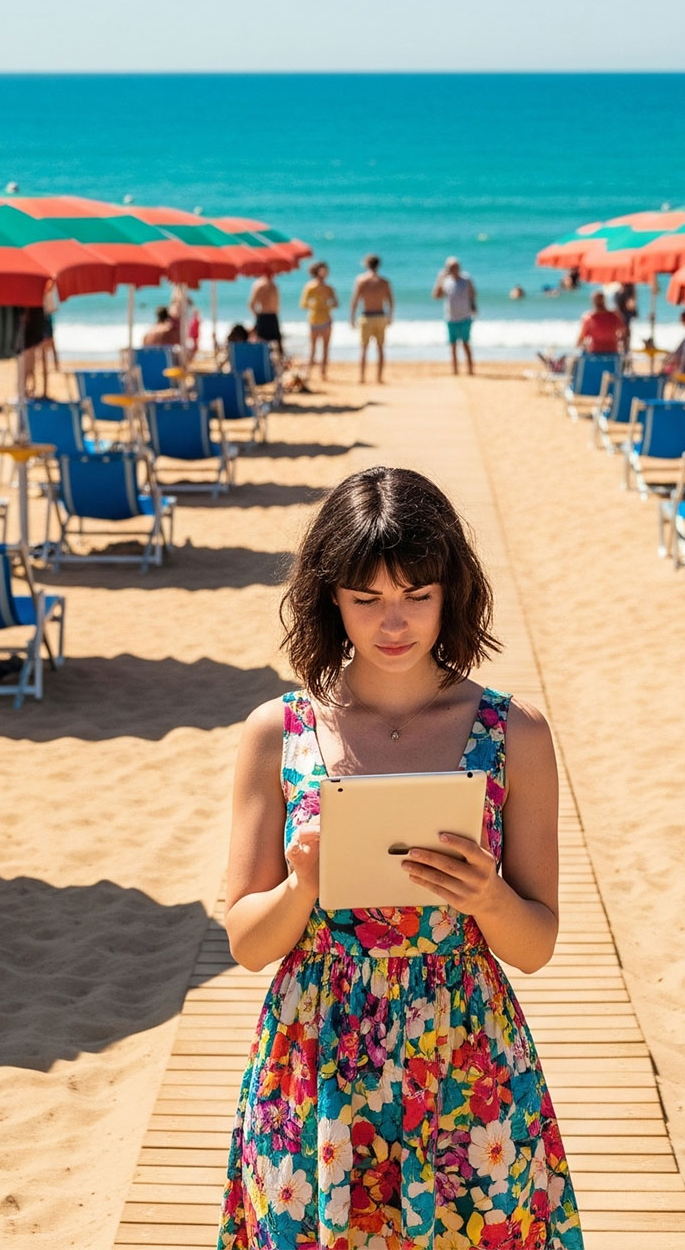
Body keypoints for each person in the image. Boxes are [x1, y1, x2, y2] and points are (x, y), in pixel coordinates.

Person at [219, 467, 584, 1249]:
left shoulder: (515, 732)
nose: (395, 622)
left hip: (463, 1051)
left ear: (452, 591)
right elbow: (247, 944)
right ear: (329, 597)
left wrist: (488, 898)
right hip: (314, 1054)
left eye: (417, 595)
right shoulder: (275, 731)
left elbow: (539, 943)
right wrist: (301, 886)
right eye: (367, 598)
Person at [351, 253, 395, 385]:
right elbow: (391, 301)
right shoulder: (384, 282)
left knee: (363, 348)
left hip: (367, 316)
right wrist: (390, 316)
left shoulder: (361, 280)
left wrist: (352, 317)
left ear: (366, 264)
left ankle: (362, 377)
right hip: (380, 316)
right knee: (381, 349)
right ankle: (379, 377)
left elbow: (355, 301)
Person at [432, 255, 477, 377]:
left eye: (455, 266)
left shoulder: (466, 279)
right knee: (453, 346)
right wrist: (440, 279)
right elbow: (436, 296)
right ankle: (455, 370)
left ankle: (470, 369)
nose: (454, 269)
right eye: (451, 267)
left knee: (466, 343)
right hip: (451, 317)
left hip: (465, 317)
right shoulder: (446, 281)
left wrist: (474, 307)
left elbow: (473, 294)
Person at [298, 260, 338, 380]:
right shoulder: (310, 287)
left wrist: (326, 305)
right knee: (313, 348)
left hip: (326, 319)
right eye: (323, 270)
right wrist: (314, 305)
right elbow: (303, 304)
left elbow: (335, 303)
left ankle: (323, 372)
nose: (325, 272)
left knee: (326, 347)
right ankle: (309, 372)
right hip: (314, 319)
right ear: (317, 271)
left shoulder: (329, 288)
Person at [576, 288, 626, 355]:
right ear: (604, 301)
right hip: (612, 352)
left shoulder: (589, 318)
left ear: (593, 302)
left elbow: (580, 340)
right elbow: (624, 332)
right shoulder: (614, 316)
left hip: (594, 353)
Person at [248, 271, 284, 356]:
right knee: (261, 341)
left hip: (273, 316)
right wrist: (257, 316)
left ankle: (279, 361)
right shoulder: (260, 285)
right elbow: (252, 304)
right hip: (263, 316)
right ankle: (261, 359)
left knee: (278, 340)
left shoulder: (274, 286)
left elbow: (277, 303)